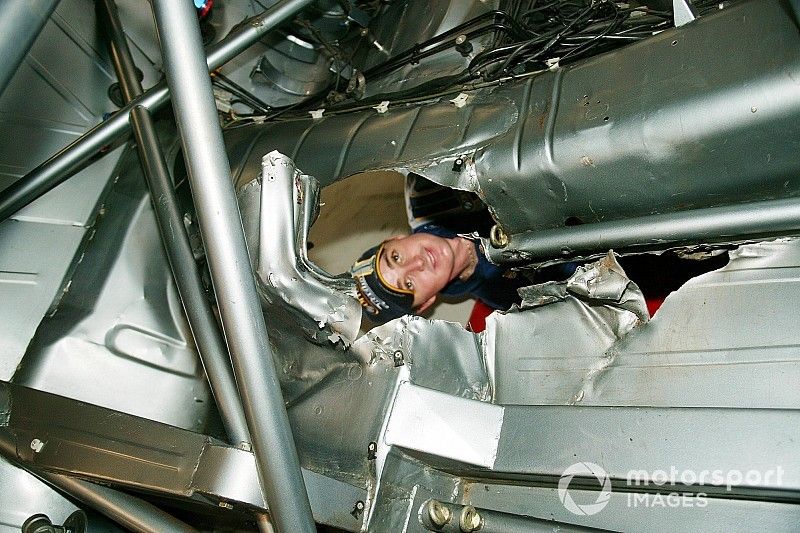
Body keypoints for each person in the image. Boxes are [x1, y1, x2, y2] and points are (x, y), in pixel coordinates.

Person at [350, 174, 535, 324]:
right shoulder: (507, 296)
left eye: (396, 257)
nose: (418, 263)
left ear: (395, 239)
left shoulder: (431, 184)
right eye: (408, 285)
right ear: (426, 304)